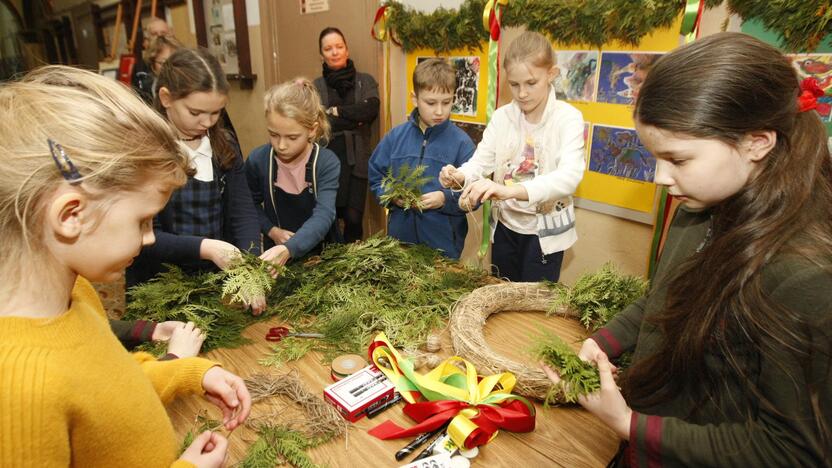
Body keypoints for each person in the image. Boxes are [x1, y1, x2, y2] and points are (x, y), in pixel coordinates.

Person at [543, 32, 832, 466]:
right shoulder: (702, 200)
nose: (661, 178)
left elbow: (793, 449)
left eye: (678, 159)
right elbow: (668, 295)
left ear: (757, 142)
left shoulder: (805, 275)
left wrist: (627, 424)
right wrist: (605, 341)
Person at [0, 65, 251, 467]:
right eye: (142, 221)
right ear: (70, 215)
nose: (150, 238)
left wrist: (187, 373)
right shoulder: (19, 389)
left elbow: (108, 383)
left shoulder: (74, 293)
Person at [127, 47, 265, 315]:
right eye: (196, 112)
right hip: (158, 285)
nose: (207, 122)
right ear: (166, 98)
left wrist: (250, 270)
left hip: (212, 283)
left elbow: (243, 213)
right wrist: (206, 247)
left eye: (216, 113)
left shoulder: (224, 146)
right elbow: (144, 237)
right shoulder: (143, 151)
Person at [439, 31, 585, 281]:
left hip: (543, 237)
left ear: (551, 74)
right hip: (506, 229)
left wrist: (509, 191)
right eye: (514, 85)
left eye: (531, 83)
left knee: (533, 305)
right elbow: (481, 161)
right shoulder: (503, 117)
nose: (522, 93)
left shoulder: (567, 118)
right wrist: (459, 174)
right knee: (502, 293)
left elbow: (569, 177)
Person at [368, 58, 475, 259]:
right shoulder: (395, 138)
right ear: (414, 98)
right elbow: (376, 175)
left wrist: (444, 199)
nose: (439, 111)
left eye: (446, 102)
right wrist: (392, 195)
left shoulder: (462, 143)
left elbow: (473, 194)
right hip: (400, 243)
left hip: (444, 247)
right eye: (431, 103)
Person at [246, 78, 340, 269]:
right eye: (273, 134)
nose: (281, 145)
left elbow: (324, 214)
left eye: (292, 137)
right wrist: (272, 231)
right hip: (276, 257)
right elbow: (249, 204)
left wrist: (290, 248)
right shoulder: (258, 160)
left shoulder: (326, 163)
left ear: (312, 130)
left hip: (324, 258)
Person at [314, 27, 380, 242]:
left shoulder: (365, 81)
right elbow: (318, 121)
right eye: (328, 48)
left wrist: (336, 111)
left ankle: (353, 263)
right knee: (328, 218)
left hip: (357, 158)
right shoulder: (315, 87)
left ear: (347, 50)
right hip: (327, 158)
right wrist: (353, 117)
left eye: (339, 47)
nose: (334, 52)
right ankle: (330, 264)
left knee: (353, 218)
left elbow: (370, 110)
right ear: (321, 54)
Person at [132, 16, 171, 103]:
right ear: (146, 41)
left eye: (163, 33)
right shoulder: (139, 70)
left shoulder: (181, 62)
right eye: (154, 34)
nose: (159, 38)